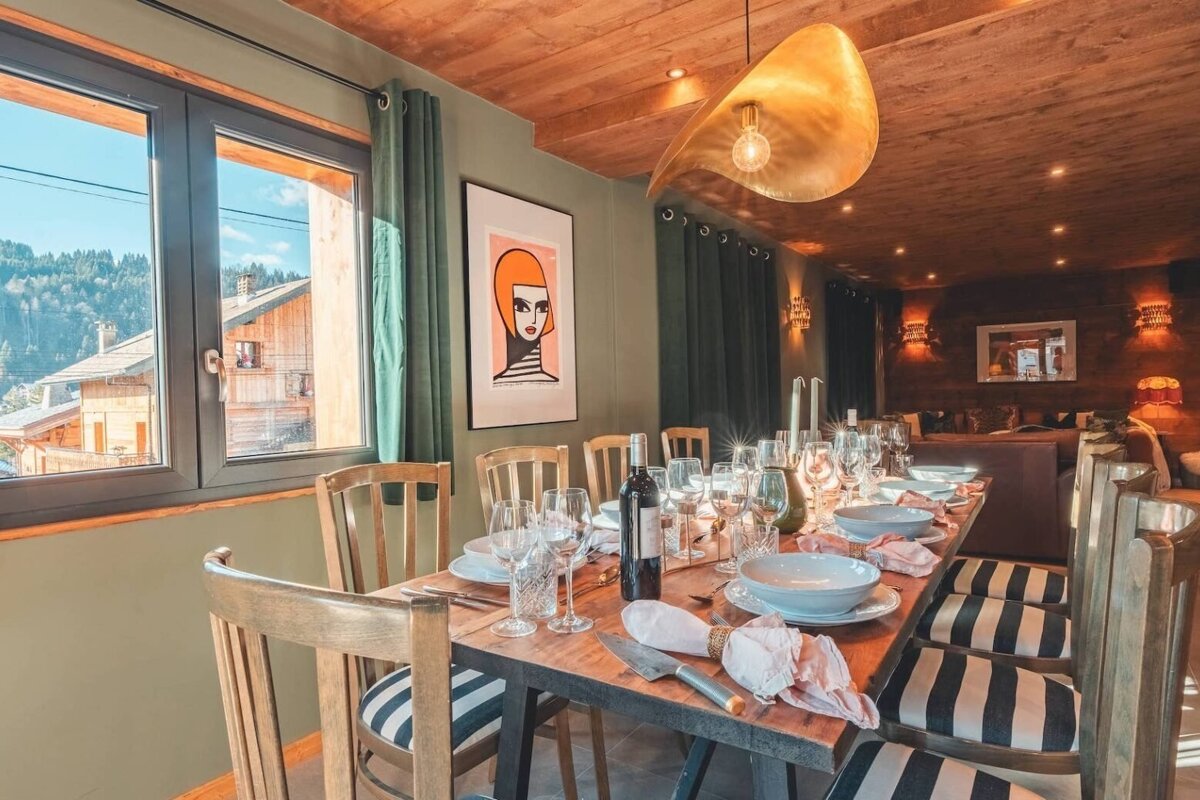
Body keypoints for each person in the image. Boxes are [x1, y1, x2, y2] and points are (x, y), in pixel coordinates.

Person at [492, 248, 558, 384]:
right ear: (505, 306)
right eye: (522, 307)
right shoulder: (498, 383)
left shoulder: (551, 382)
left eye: (541, 308)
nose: (533, 319)